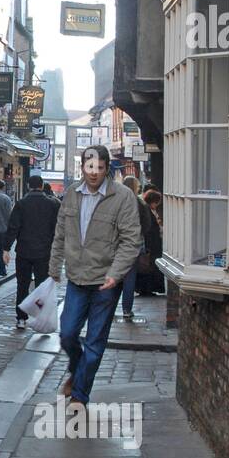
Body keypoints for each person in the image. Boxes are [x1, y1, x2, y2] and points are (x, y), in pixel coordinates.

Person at [48, 146, 143, 406]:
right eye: (90, 167)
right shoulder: (71, 194)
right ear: (82, 167)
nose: (94, 173)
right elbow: (60, 234)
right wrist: (54, 267)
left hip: (105, 282)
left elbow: (131, 240)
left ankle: (80, 395)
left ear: (107, 169)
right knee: (67, 334)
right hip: (77, 278)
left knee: (95, 341)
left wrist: (116, 273)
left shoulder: (122, 197)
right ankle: (77, 372)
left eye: (100, 168)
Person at [6, 175, 60, 330]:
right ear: (42, 186)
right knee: (42, 285)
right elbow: (58, 229)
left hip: (24, 251)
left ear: (28, 186)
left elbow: (13, 227)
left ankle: (21, 318)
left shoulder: (21, 204)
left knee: (22, 285)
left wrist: (6, 248)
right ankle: (41, 317)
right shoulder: (52, 205)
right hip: (44, 252)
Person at [118, 176, 154, 323]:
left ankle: (107, 307)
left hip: (115, 245)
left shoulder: (115, 201)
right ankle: (127, 310)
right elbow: (147, 225)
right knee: (129, 279)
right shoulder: (140, 203)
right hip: (133, 245)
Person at [138, 189, 165, 296]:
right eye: (156, 202)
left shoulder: (148, 210)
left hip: (152, 244)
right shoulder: (148, 211)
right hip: (152, 244)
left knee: (150, 267)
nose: (157, 205)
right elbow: (149, 228)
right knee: (149, 267)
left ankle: (148, 288)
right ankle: (148, 288)